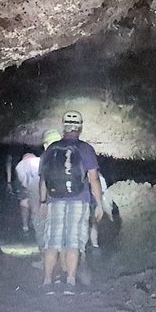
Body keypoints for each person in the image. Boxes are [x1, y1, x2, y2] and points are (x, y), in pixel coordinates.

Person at [39, 110, 104, 295]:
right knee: (73, 242)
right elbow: (93, 179)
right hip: (79, 201)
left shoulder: (52, 149)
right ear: (80, 128)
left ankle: (47, 282)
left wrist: (43, 202)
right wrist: (99, 203)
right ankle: (70, 283)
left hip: (54, 200)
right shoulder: (85, 149)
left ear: (63, 127)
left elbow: (43, 178)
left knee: (52, 242)